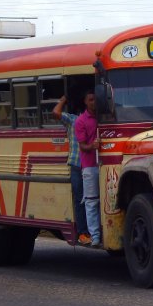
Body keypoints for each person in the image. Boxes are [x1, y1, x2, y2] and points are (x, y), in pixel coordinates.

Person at [53, 95, 90, 245]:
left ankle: (90, 230)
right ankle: (82, 231)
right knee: (80, 199)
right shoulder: (73, 120)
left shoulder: (93, 121)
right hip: (77, 164)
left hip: (89, 165)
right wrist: (62, 101)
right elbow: (55, 113)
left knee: (90, 200)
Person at [75, 90, 101, 247]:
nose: (94, 102)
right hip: (90, 166)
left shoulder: (104, 116)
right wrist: (93, 146)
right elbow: (83, 146)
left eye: (95, 99)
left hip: (105, 164)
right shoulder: (81, 121)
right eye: (90, 99)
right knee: (91, 201)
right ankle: (95, 235)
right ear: (85, 102)